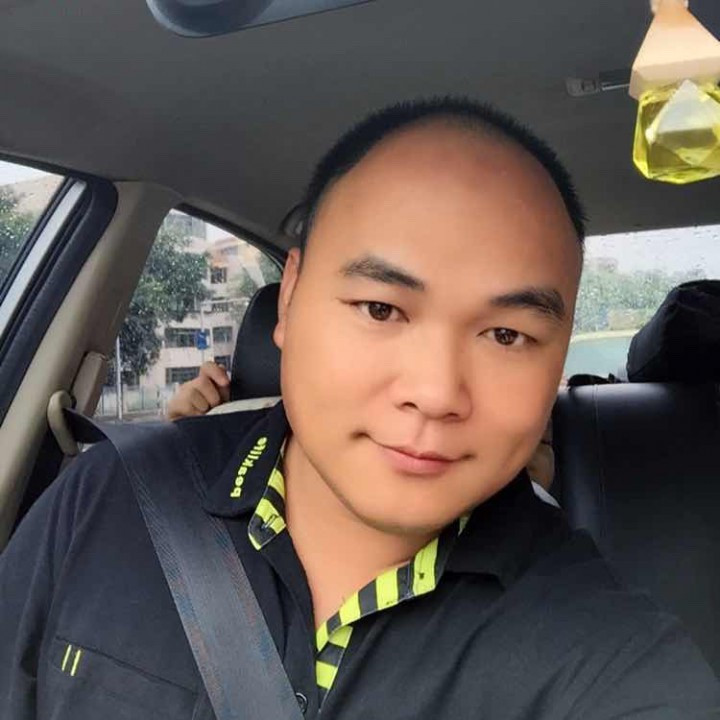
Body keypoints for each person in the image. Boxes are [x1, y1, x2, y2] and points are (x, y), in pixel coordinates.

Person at [1, 97, 718, 719]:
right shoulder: (107, 501)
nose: (435, 393)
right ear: (289, 300)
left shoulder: (609, 657)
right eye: (380, 308)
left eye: (506, 335)